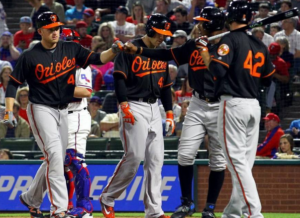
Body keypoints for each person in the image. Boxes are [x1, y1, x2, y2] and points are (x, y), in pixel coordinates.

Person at [3, 11, 122, 218]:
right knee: (56, 157)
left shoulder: (71, 48)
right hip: (40, 108)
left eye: (57, 27)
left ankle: (34, 199)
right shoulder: (30, 56)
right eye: (51, 29)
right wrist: (8, 110)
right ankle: (58, 210)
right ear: (40, 31)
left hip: (63, 110)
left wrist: (113, 50)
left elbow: (97, 58)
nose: (56, 31)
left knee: (57, 159)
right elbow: (13, 83)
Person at [124, 7, 227, 218]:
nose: (199, 25)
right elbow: (166, 54)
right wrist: (139, 51)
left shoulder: (228, 46)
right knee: (185, 154)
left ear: (212, 25)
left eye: (203, 22)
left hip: (221, 105)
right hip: (197, 103)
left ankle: (209, 208)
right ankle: (186, 204)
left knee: (217, 160)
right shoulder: (193, 45)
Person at [198, 1, 275, 217]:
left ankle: (254, 213)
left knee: (237, 163)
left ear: (230, 19)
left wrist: (204, 50)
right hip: (253, 106)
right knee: (243, 165)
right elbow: (268, 80)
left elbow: (216, 71)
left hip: (233, 105)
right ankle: (232, 213)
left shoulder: (228, 40)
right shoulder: (260, 44)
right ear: (250, 19)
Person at [99, 14, 175, 218]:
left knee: (156, 161)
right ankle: (107, 197)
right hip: (133, 104)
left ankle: (154, 212)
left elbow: (166, 86)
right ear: (150, 30)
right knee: (134, 156)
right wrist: (123, 104)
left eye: (165, 34)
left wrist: (169, 113)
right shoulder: (129, 49)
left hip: (154, 107)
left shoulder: (160, 52)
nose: (163, 38)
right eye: (160, 33)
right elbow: (119, 78)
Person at [58, 28, 94, 217]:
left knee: (75, 160)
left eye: (72, 41)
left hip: (76, 115)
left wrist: (56, 88)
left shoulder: (82, 63)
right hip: (59, 115)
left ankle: (85, 206)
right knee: (61, 164)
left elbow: (86, 92)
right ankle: (67, 205)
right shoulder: (54, 63)